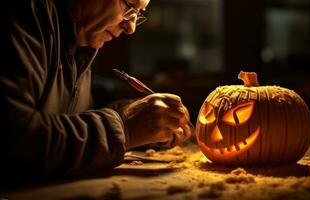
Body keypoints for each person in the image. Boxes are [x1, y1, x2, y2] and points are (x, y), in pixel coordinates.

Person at [0, 0, 192, 179]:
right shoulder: (25, 14)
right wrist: (124, 128)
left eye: (139, 13)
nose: (131, 27)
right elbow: (17, 138)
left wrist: (142, 123)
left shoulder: (79, 42)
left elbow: (69, 120)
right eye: (129, 6)